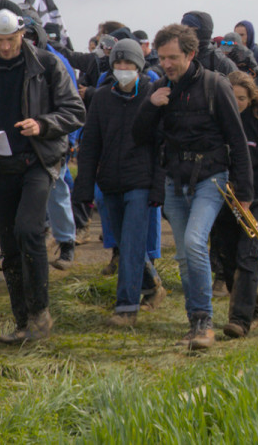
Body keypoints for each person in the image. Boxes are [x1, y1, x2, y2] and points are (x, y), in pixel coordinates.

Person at [132, 24, 253, 350]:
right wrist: (150, 105)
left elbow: (238, 142)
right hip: (174, 181)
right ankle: (195, 322)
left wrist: (244, 194)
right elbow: (139, 136)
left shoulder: (216, 86)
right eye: (161, 58)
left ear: (190, 54)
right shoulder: (159, 89)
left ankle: (204, 323)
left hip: (211, 178)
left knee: (194, 242)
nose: (166, 64)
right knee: (185, 255)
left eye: (173, 57)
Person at [0, 0, 84, 344]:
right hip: (1, 165)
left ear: (23, 32)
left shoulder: (47, 65)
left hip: (38, 161)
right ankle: (23, 323)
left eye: (10, 39)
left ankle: (40, 314)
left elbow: (75, 110)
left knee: (29, 230)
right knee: (9, 244)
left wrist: (43, 124)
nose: (4, 47)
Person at [74, 39, 166, 326]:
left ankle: (126, 307)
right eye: (118, 63)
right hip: (110, 182)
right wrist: (85, 186)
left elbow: (162, 146)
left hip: (140, 181)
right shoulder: (101, 98)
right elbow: (90, 145)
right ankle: (152, 286)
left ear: (139, 66)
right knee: (123, 241)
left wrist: (158, 187)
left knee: (132, 242)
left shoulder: (152, 96)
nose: (123, 68)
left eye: (128, 63)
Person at [210, 72, 258, 338]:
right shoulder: (214, 123)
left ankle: (240, 321)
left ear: (251, 97)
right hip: (223, 201)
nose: (236, 102)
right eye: (231, 98)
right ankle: (253, 310)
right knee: (227, 259)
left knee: (249, 255)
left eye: (241, 98)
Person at [180, 11, 239, 76]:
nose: (182, 34)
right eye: (181, 30)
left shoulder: (222, 64)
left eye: (187, 30)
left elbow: (238, 84)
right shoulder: (178, 57)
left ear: (202, 32)